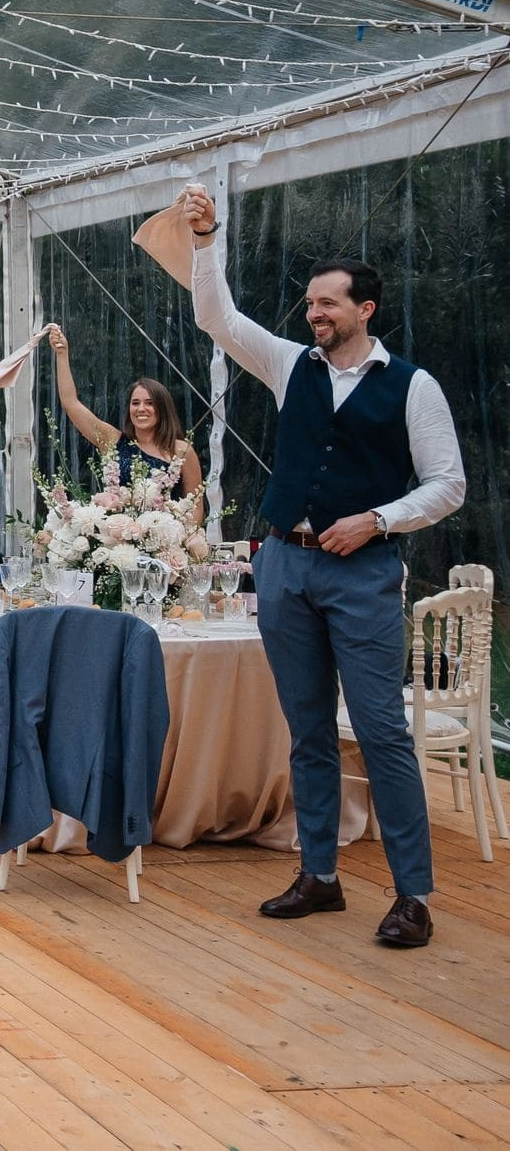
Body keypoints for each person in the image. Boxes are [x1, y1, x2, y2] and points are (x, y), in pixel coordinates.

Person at [180, 184, 463, 948]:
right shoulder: (288, 364)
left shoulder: (413, 386)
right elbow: (216, 317)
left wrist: (379, 518)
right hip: (286, 570)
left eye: (329, 304)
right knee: (305, 729)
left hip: (364, 575)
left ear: (365, 309)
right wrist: (207, 239)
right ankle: (320, 875)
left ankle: (413, 893)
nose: (315, 314)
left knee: (379, 732)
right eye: (310, 303)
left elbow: (448, 484)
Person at [47, 324, 202, 499]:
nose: (141, 409)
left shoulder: (181, 451)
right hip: (116, 525)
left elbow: (194, 505)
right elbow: (71, 403)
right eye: (135, 403)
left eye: (149, 403)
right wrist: (61, 354)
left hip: (166, 525)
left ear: (162, 408)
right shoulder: (112, 441)